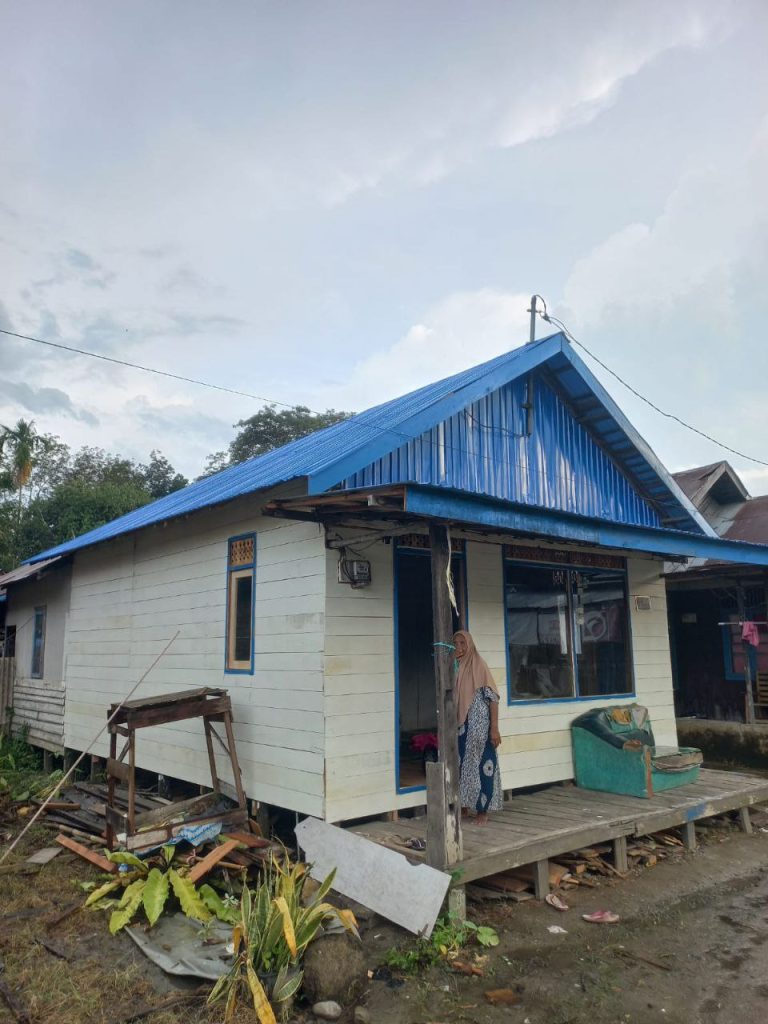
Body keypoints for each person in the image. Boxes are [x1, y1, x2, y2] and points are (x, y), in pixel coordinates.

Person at [453, 630, 503, 825]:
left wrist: (494, 729)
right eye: (456, 643)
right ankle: (465, 805)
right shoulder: (456, 668)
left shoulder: (479, 665)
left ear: (470, 645)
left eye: (463, 643)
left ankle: (483, 811)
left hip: (481, 728)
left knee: (484, 766)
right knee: (463, 766)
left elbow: (493, 699)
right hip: (462, 727)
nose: (459, 647)